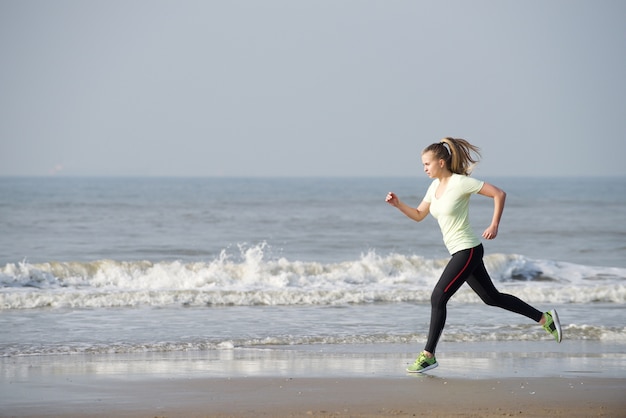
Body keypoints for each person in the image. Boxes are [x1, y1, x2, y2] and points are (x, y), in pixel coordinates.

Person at [385, 137, 562, 373]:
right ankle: (545, 319)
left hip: (467, 249)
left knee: (438, 297)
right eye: (423, 165)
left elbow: (499, 193)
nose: (425, 168)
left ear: (441, 162)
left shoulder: (460, 183)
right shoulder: (434, 187)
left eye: (427, 164)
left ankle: (428, 355)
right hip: (460, 250)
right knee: (491, 298)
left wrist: (494, 224)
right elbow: (419, 215)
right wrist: (398, 205)